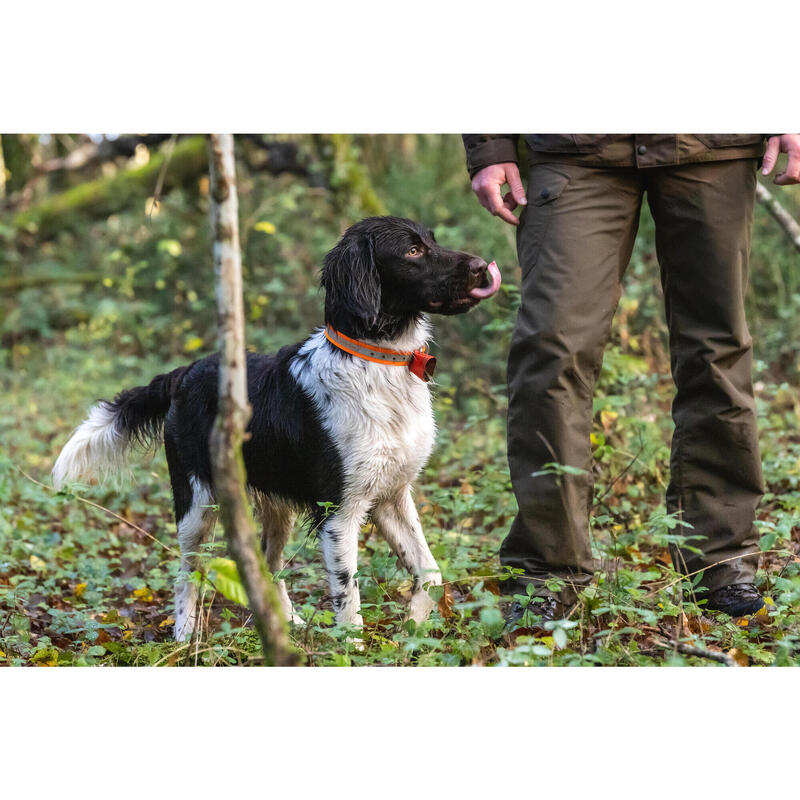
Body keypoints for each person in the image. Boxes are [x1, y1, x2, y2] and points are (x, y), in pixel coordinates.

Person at [463, 134, 800, 621]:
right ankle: (548, 571)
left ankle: (722, 566)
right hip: (573, 144)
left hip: (713, 140)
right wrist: (489, 146)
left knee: (717, 349)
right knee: (551, 348)